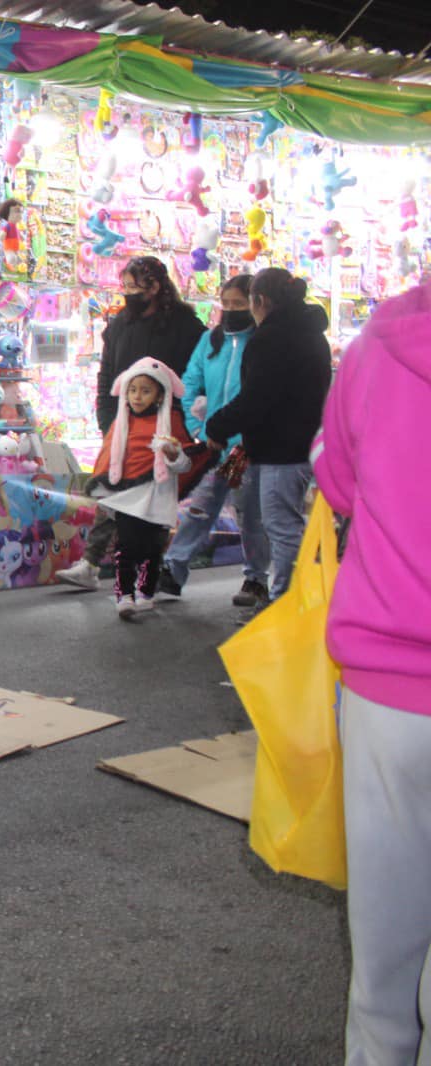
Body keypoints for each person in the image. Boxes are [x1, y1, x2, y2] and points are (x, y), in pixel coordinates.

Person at [312, 278, 431, 1064]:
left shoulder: (372, 349)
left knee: (381, 967)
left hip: (387, 685)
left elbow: (338, 483)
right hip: (386, 677)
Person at [57, 256, 204, 590]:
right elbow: (107, 373)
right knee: (112, 490)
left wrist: (183, 419)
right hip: (123, 423)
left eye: (134, 287)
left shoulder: (186, 326)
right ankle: (92, 563)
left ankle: (148, 571)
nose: (128, 294)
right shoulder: (120, 324)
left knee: (154, 498)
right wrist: (107, 419)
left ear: (155, 286)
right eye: (124, 287)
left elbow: (195, 376)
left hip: (166, 424)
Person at [205, 268, 331, 600]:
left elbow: (257, 397)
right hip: (282, 447)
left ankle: (285, 600)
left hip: (278, 450)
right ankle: (267, 586)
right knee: (263, 517)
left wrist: (217, 425)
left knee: (279, 526)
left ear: (259, 300)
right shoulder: (312, 335)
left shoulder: (271, 339)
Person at [158, 274, 271, 606]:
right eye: (227, 303)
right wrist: (200, 430)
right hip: (212, 444)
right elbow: (190, 384)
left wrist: (241, 434)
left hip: (247, 445)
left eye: (240, 303)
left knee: (249, 514)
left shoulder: (262, 342)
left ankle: (255, 579)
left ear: (254, 304)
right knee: (199, 508)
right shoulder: (210, 340)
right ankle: (173, 571)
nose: (232, 309)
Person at [85, 358, 191, 619]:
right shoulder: (121, 424)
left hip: (157, 497)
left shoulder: (172, 422)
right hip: (127, 497)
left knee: (154, 548)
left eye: (145, 390)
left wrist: (173, 453)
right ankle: (124, 595)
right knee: (127, 547)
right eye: (133, 390)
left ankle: (147, 591)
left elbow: (186, 464)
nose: (137, 396)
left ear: (159, 395)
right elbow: (108, 459)